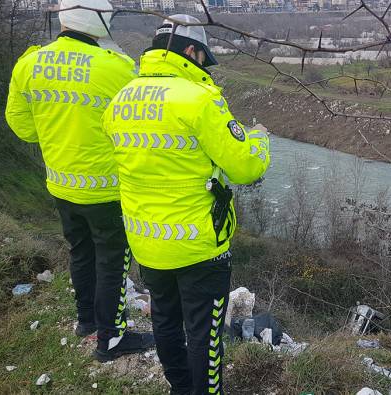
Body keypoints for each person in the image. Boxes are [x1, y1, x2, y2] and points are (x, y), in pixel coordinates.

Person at [101, 14, 270, 395]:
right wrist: (260, 139)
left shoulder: (122, 99)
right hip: (198, 245)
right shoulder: (198, 99)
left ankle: (180, 387)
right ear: (191, 51)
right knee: (204, 334)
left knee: (164, 319)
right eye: (202, 58)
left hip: (147, 239)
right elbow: (245, 167)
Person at [5, 0, 155, 362]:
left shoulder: (29, 63)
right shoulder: (115, 68)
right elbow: (141, 125)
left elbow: (21, 125)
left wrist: (58, 139)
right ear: (98, 20)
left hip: (60, 184)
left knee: (81, 252)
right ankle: (112, 338)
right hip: (106, 189)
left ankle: (86, 321)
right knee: (111, 260)